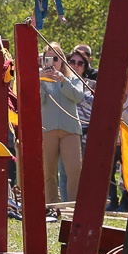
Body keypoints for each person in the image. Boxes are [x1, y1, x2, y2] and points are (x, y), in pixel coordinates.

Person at [39, 43, 85, 204]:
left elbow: (78, 96)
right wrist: (39, 80)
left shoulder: (73, 78)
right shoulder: (40, 79)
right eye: (48, 59)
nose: (52, 62)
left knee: (74, 170)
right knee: (48, 172)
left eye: (56, 58)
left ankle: (74, 207)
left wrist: (63, 80)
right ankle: (51, 206)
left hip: (70, 130)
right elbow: (37, 101)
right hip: (47, 129)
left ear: (62, 60)